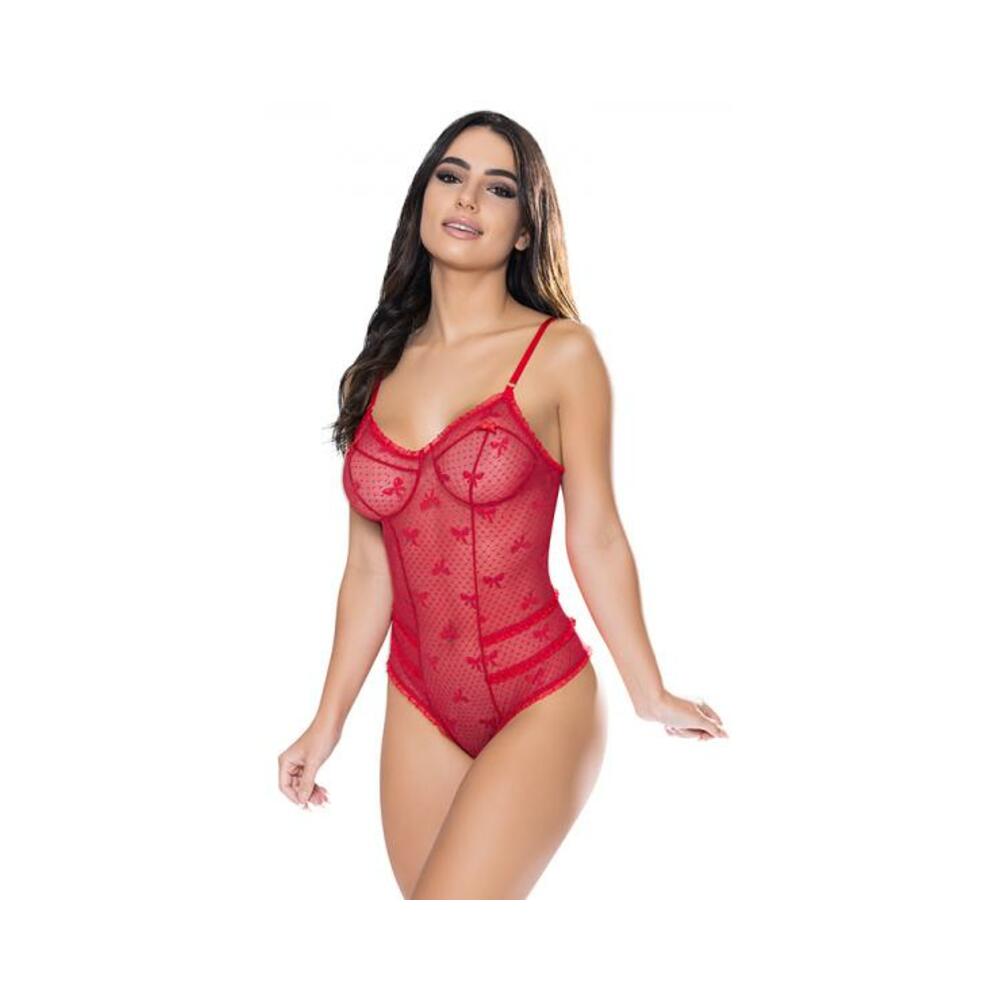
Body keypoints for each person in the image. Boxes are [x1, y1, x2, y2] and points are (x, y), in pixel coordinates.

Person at [279, 110, 728, 899]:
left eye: (499, 188)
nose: (467, 198)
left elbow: (596, 535)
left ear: (525, 229)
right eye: (450, 176)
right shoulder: (374, 371)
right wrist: (326, 723)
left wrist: (649, 689)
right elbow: (369, 570)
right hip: (418, 699)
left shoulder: (561, 353)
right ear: (423, 198)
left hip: (540, 693)